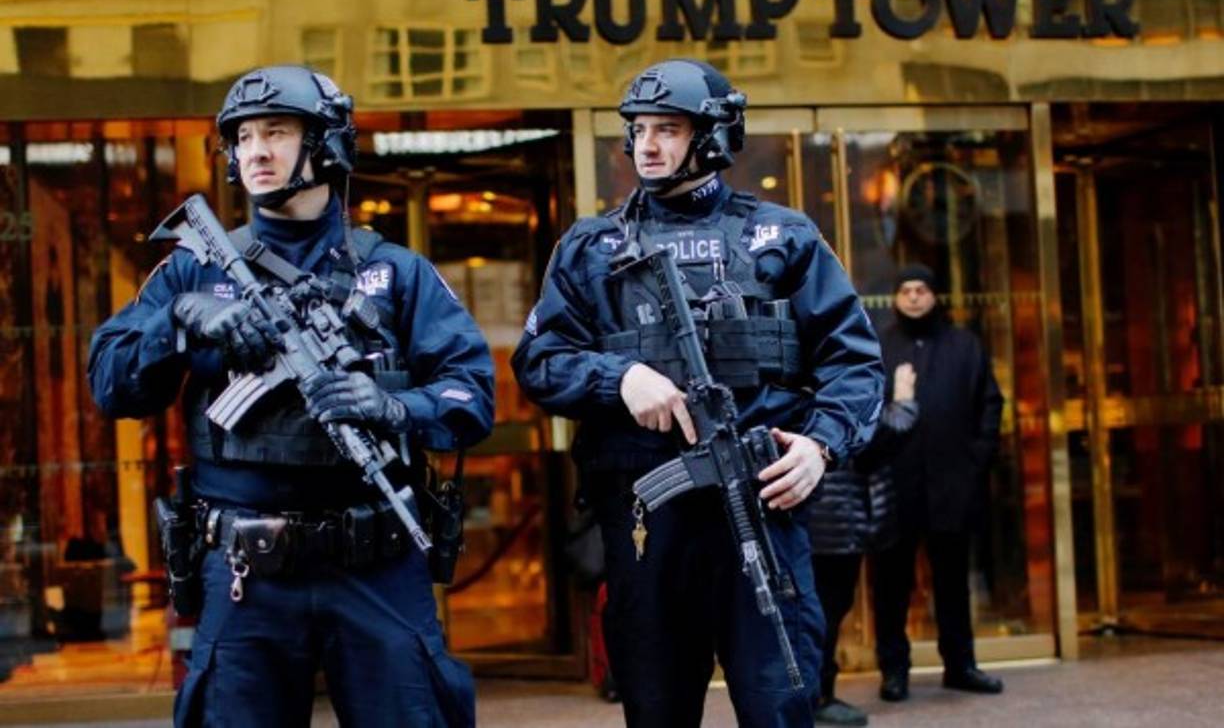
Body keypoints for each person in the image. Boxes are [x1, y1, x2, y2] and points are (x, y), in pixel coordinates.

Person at [87, 65, 494, 727]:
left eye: (275, 132)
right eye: (243, 137)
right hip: (249, 572)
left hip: (377, 563)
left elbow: (473, 396)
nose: (255, 151)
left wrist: (395, 409)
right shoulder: (196, 267)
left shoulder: (394, 273)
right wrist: (181, 323)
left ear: (326, 145)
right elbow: (110, 383)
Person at [512, 58, 884, 728]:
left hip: (761, 514)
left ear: (711, 136)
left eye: (669, 129)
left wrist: (821, 447)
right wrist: (619, 377)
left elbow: (854, 363)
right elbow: (539, 361)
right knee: (656, 711)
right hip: (648, 527)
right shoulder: (591, 249)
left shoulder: (783, 237)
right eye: (640, 129)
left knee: (781, 706)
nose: (648, 145)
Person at [871, 263, 1004, 701]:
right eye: (905, 289)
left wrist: (975, 462)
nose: (913, 297)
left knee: (951, 582)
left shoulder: (965, 345)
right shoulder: (879, 347)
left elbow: (990, 403)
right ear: (895, 297)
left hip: (953, 486)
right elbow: (865, 408)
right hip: (894, 487)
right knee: (892, 584)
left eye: (921, 289)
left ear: (935, 296)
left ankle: (961, 665)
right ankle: (894, 671)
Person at [808, 362, 916, 726]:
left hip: (828, 521)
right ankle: (819, 696)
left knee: (823, 610)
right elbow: (878, 440)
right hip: (834, 524)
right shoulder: (839, 389)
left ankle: (817, 693)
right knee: (826, 610)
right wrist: (903, 402)